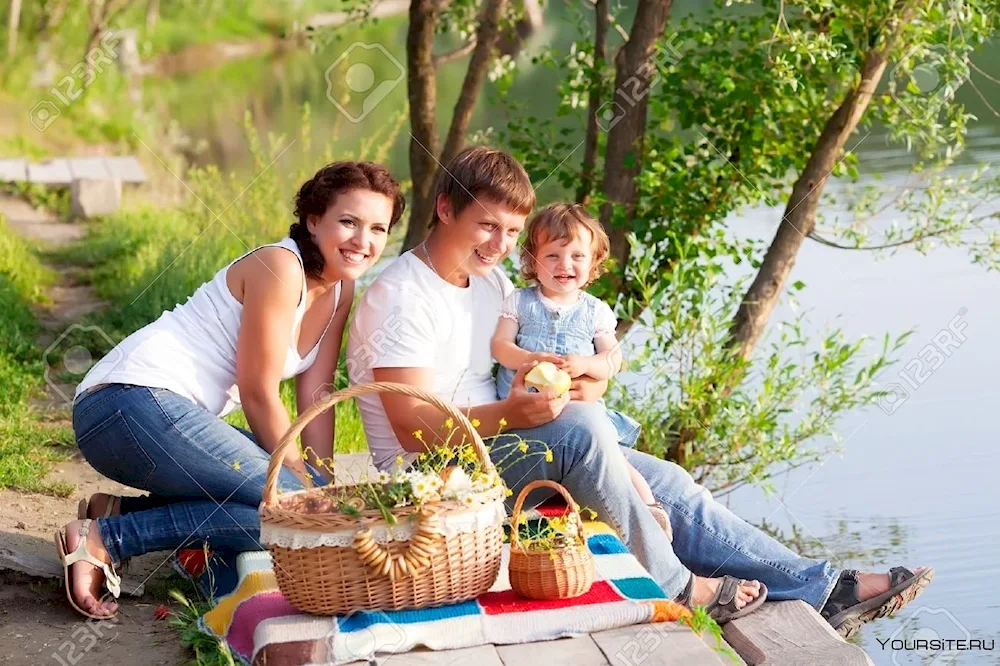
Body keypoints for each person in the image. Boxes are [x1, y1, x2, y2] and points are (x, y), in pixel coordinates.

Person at [347, 145, 933, 632]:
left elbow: (528, 369)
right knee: (578, 431)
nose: (500, 244)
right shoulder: (402, 295)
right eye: (487, 226)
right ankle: (681, 587)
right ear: (445, 208)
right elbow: (413, 427)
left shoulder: (488, 283)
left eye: (512, 232)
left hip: (494, 451)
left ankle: (823, 587)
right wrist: (519, 411)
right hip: (431, 484)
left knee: (667, 480)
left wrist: (578, 380)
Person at [56, 161, 405, 619]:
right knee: (292, 512)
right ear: (314, 220)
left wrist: (322, 482)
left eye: (378, 228)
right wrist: (300, 486)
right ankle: (105, 540)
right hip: (125, 402)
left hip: (167, 417)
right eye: (349, 222)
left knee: (296, 519)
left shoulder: (342, 289)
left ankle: (118, 513)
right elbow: (258, 391)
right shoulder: (280, 267)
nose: (363, 241)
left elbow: (316, 395)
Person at [490, 203, 669, 534]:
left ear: (594, 262)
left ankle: (647, 509)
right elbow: (500, 347)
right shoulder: (519, 302)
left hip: (576, 411)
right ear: (532, 259)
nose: (565, 265)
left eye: (577, 256)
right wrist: (528, 359)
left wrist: (585, 364)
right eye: (553, 255)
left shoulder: (595, 312)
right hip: (523, 413)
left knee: (615, 461)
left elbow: (612, 360)